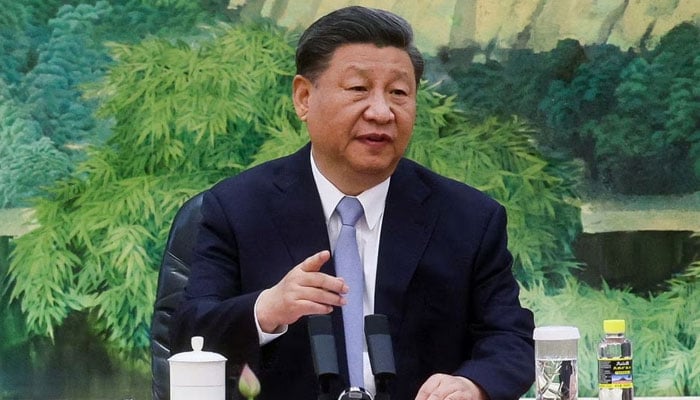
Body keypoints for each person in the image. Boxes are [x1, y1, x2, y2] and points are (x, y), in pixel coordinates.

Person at [170, 5, 535, 400]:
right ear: (304, 98)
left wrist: (473, 385)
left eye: (399, 93)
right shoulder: (238, 208)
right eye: (359, 89)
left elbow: (510, 337)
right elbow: (191, 332)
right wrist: (267, 309)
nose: (381, 112)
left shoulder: (469, 218)